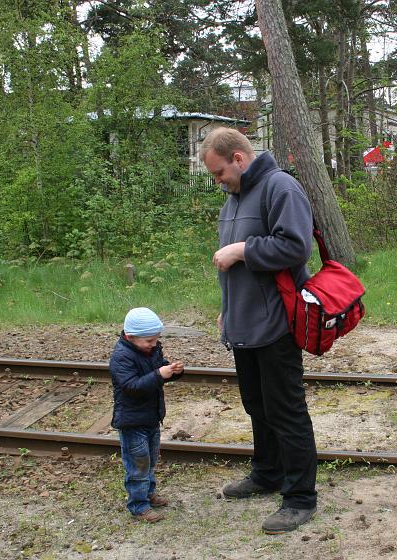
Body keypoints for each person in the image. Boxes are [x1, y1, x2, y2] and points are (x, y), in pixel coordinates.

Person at [201, 127, 318, 534]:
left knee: (286, 410)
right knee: (256, 404)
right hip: (243, 321)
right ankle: (268, 473)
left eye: (219, 173)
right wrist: (227, 309)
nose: (218, 182)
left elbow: (296, 247)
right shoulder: (234, 198)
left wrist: (242, 250)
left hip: (276, 323)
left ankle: (300, 498)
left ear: (238, 158)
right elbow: (236, 274)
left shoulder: (280, 187)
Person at [109, 307, 184, 523]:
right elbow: (132, 387)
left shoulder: (150, 350)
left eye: (156, 339)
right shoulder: (121, 357)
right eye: (149, 340)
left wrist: (173, 372)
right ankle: (138, 505)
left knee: (149, 459)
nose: (154, 344)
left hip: (150, 417)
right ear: (130, 336)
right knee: (138, 464)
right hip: (132, 421)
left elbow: (158, 372)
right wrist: (159, 374)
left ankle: (148, 493)